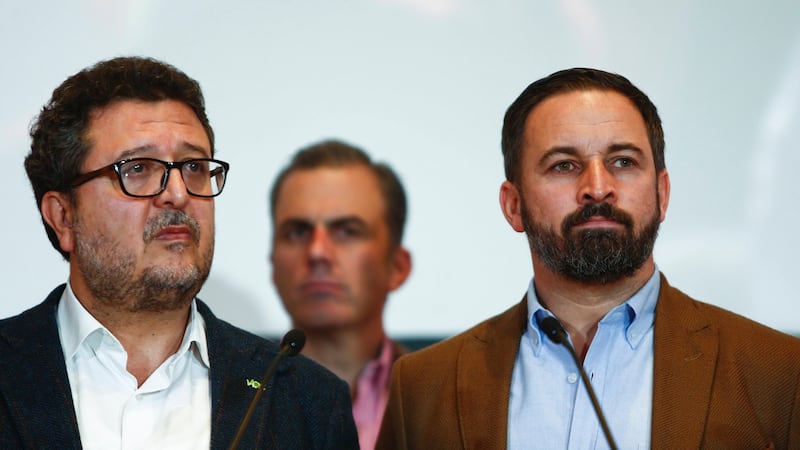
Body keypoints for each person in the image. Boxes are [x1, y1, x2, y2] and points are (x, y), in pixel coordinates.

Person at [376, 68, 800, 449]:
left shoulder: (779, 373)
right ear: (514, 205)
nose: (597, 188)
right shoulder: (420, 386)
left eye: (622, 162)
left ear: (662, 194)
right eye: (564, 165)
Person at [0, 56, 358, 449]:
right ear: (64, 216)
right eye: (137, 168)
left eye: (193, 167)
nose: (178, 193)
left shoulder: (308, 401)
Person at [269, 140, 412, 450]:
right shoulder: (230, 393)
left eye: (347, 231)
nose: (317, 252)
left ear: (397, 267)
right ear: (273, 265)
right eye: (297, 232)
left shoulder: (443, 394)